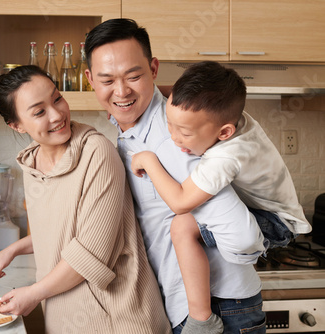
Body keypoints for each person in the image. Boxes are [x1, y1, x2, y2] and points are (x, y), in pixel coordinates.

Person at [85, 18, 267, 334]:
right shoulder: (131, 133)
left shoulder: (177, 134)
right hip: (189, 303)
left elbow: (238, 228)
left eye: (133, 76)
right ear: (90, 80)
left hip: (217, 308)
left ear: (154, 69)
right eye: (107, 80)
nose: (122, 91)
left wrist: (250, 249)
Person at [0, 65, 172, 333]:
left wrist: (34, 293)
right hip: (64, 318)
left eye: (57, 98)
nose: (57, 114)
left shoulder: (97, 153)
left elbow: (91, 252)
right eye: (39, 112)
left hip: (118, 319)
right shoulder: (32, 164)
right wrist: (13, 249)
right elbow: (64, 230)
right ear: (16, 125)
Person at [129, 60, 312, 332]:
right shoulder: (231, 119)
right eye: (169, 125)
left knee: (181, 225)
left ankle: (201, 320)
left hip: (276, 223)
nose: (175, 138)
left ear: (224, 133)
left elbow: (180, 201)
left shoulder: (225, 157)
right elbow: (188, 101)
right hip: (273, 213)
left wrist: (147, 159)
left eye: (185, 132)